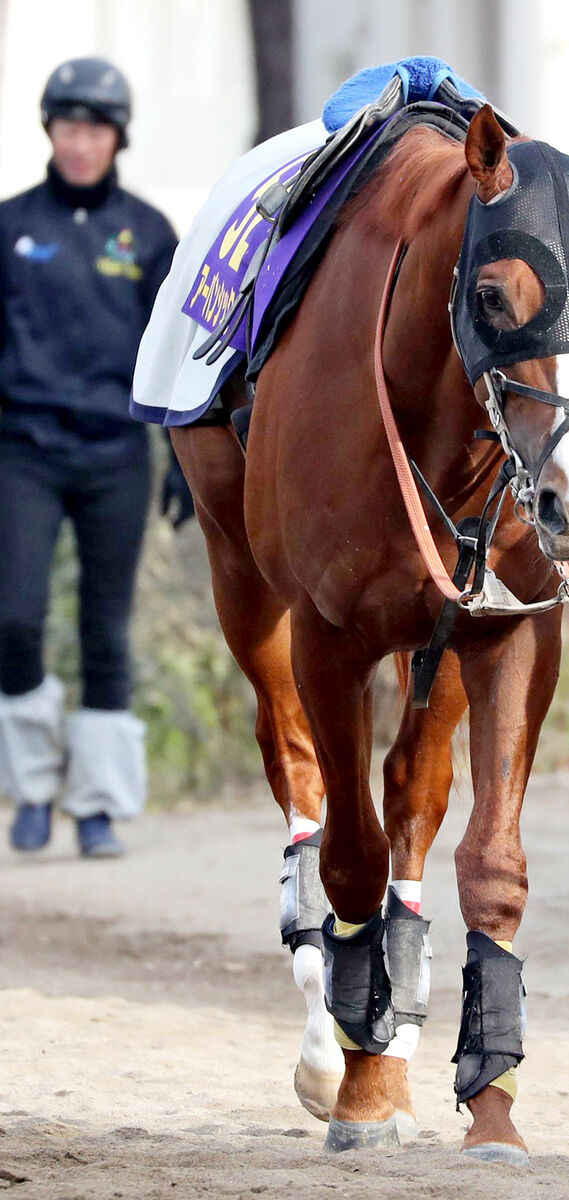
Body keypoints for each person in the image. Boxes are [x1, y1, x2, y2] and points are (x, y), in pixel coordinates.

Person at [0, 57, 186, 859]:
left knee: (105, 632)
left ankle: (99, 804)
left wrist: (182, 458)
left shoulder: (148, 234)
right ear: (50, 131)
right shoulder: (10, 227)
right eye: (69, 127)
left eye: (97, 130)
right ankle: (33, 787)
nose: (81, 144)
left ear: (118, 138)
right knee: (15, 619)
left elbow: (180, 355)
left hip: (116, 455)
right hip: (24, 451)